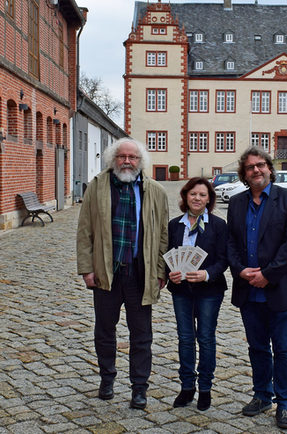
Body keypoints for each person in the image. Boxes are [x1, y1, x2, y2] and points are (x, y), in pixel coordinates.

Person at [76, 138, 168, 410]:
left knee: (142, 335)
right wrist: (86, 268)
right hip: (108, 272)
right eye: (122, 156)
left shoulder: (155, 191)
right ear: (112, 159)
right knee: (105, 331)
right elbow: (85, 231)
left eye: (133, 157)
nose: (127, 161)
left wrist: (160, 269)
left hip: (140, 274)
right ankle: (107, 379)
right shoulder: (97, 187)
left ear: (141, 162)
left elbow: (163, 234)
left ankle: (139, 387)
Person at [227, 147, 287, 429]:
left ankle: (285, 403)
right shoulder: (237, 203)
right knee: (258, 347)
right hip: (249, 289)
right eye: (250, 167)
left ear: (270, 169)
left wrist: (268, 274)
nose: (256, 170)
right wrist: (240, 270)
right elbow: (232, 244)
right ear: (244, 175)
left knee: (284, 348)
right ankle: (262, 394)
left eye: (260, 165)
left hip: (282, 288)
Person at [167, 177, 228, 411]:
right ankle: (186, 387)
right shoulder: (175, 225)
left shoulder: (218, 225)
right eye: (193, 194)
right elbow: (167, 254)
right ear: (185, 196)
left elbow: (224, 259)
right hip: (181, 290)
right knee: (185, 338)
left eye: (202, 195)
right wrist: (169, 272)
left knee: (205, 337)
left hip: (209, 291)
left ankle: (205, 388)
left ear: (209, 199)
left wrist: (207, 274)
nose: (197, 198)